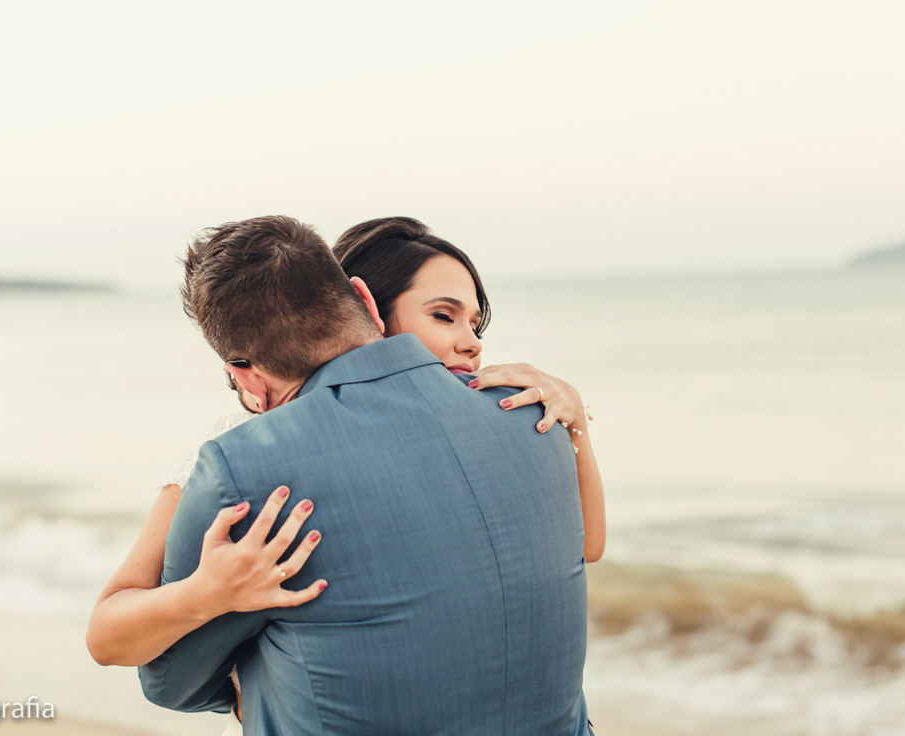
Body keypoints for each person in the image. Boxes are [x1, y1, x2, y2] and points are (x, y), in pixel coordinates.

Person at [123, 215, 594, 734]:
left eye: (476, 324)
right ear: (367, 306)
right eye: (443, 315)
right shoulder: (532, 418)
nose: (472, 344)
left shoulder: (250, 466)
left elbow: (168, 679)